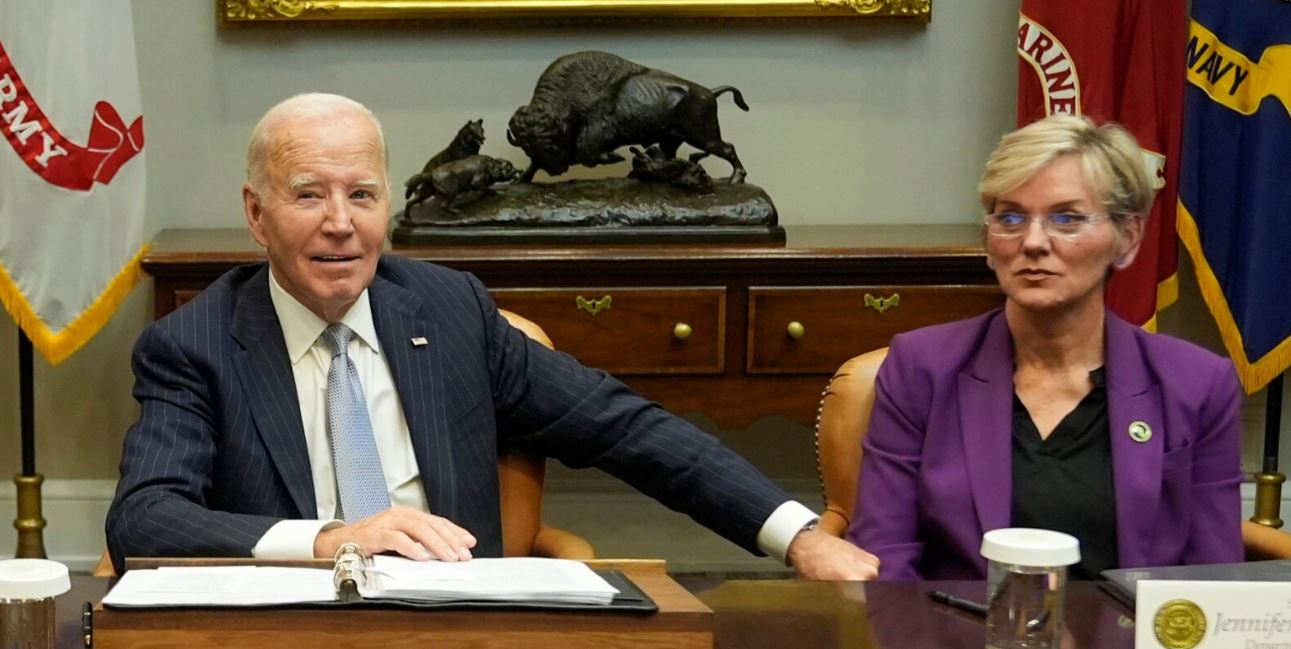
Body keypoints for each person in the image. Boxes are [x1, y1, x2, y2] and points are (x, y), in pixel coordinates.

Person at [105, 92, 877, 580]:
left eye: (362, 194)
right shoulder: (195, 343)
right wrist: (334, 538)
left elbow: (623, 425)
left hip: (460, 622)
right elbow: (145, 516)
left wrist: (798, 535)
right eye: (309, 194)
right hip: (285, 630)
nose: (340, 223)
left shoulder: (449, 313)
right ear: (256, 214)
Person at [848, 114, 1243, 580]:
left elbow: (1210, 579)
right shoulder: (922, 367)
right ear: (990, 242)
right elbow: (885, 561)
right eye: (1010, 217)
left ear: (1128, 238)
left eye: (1067, 218)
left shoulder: (1197, 385)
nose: (1033, 242)